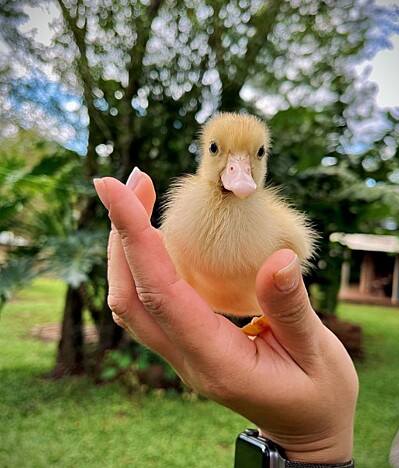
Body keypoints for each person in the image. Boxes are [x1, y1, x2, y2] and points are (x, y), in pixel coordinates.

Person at [94, 168, 358, 465]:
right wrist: (314, 445)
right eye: (220, 150)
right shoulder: (188, 207)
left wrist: (315, 443)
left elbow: (300, 245)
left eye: (254, 155)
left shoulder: (266, 220)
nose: (237, 168)